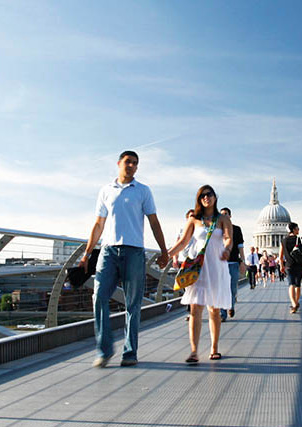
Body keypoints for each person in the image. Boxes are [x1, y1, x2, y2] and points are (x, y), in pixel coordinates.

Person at [80, 151, 169, 368]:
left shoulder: (143, 191)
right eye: (128, 162)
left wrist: (164, 250)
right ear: (119, 163)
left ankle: (130, 352)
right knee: (99, 297)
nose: (132, 166)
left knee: (133, 304)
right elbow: (98, 224)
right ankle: (104, 350)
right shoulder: (106, 190)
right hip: (108, 251)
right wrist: (87, 252)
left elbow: (154, 222)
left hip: (134, 252)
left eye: (135, 164)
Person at [168, 185, 233, 362]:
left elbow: (228, 238)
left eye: (209, 194)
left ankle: (214, 348)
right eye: (203, 195)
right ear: (199, 199)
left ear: (215, 197)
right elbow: (183, 242)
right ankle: (194, 351)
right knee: (195, 309)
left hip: (216, 266)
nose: (206, 198)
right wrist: (168, 254)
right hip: (198, 267)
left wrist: (227, 248)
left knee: (214, 309)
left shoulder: (223, 219)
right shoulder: (194, 220)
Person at [279, 222, 302, 313]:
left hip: (289, 265)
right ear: (294, 229)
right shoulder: (300, 239)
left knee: (291, 284)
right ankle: (296, 301)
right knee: (298, 284)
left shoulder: (283, 241)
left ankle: (293, 303)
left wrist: (281, 265)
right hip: (299, 265)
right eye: (297, 228)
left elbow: (280, 256)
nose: (298, 230)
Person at [220, 207, 244, 320]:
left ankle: (231, 305)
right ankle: (222, 313)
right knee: (221, 288)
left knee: (232, 288)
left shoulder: (237, 229)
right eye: (222, 214)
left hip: (233, 262)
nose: (224, 216)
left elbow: (240, 247)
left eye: (226, 214)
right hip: (220, 263)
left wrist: (243, 262)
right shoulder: (217, 230)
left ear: (230, 216)